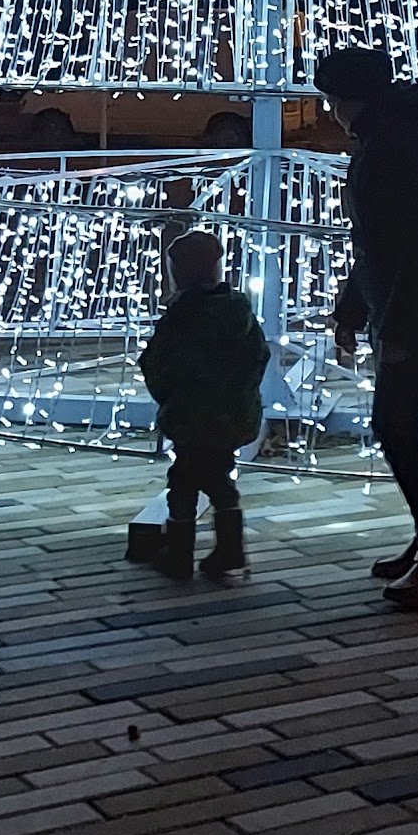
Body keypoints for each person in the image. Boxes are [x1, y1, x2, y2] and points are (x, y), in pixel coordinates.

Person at [315, 46, 418, 612]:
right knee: (410, 421)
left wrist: (397, 327)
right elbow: (378, 244)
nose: (331, 112)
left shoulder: (394, 147)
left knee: (396, 424)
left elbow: (412, 244)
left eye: (332, 100)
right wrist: (353, 310)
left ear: (350, 100)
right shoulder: (401, 134)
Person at [137, 229, 269, 586]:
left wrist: (168, 395)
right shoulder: (238, 311)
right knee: (217, 475)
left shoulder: (182, 317)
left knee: (185, 481)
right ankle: (228, 549)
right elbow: (259, 357)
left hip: (191, 416)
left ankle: (181, 553)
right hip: (231, 416)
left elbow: (159, 363)